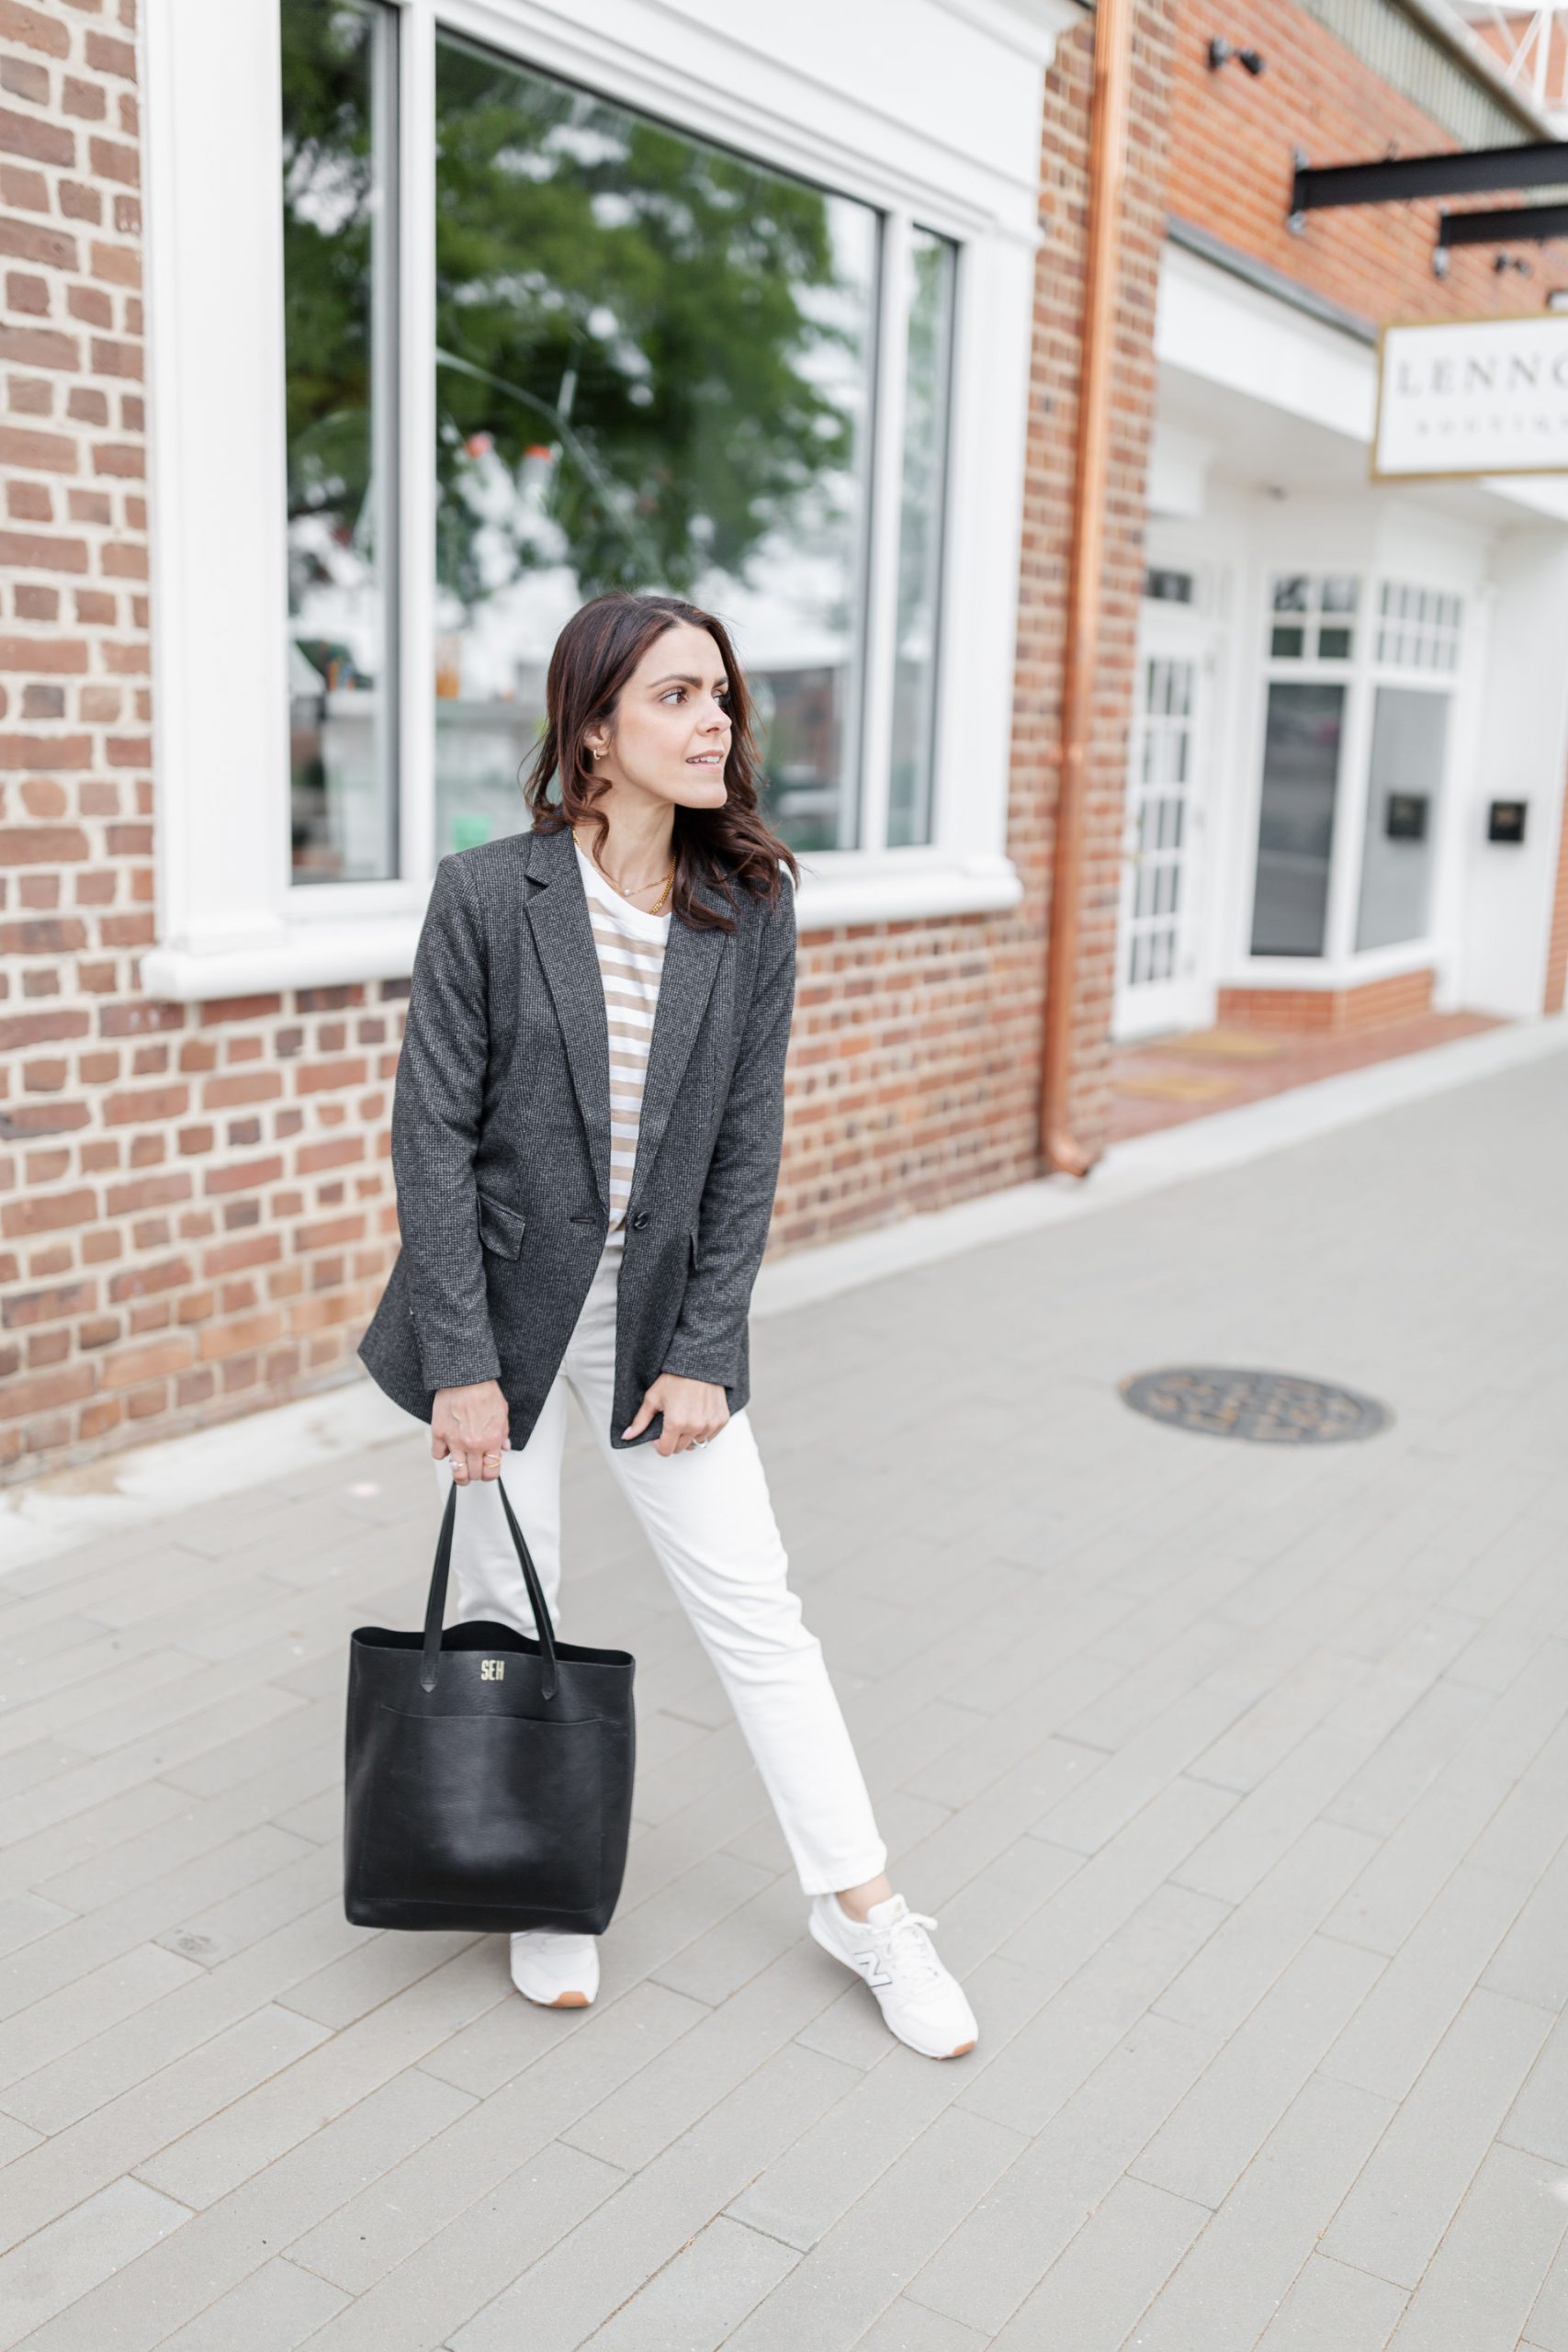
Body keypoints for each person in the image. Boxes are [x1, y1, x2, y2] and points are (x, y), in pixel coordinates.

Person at [356, 590, 977, 2061]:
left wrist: (706, 1345)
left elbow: (745, 1144)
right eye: (679, 698)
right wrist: (461, 1366)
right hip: (503, 1320)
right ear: (596, 731)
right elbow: (428, 1136)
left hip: (656, 1330)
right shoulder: (487, 895)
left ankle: (865, 1907)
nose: (717, 724)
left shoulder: (747, 906)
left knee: (758, 1616)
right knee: (522, 1603)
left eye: (722, 698)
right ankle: (544, 1881)